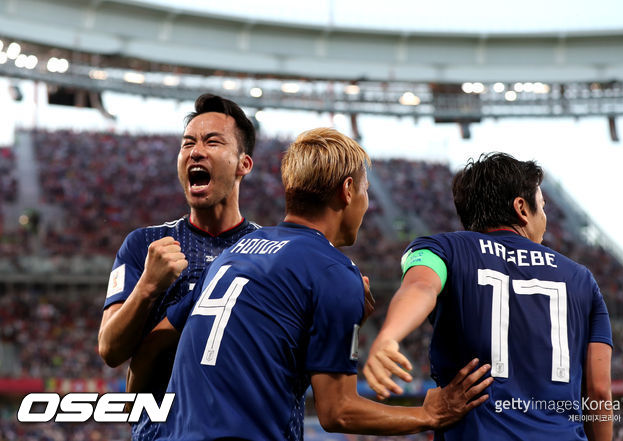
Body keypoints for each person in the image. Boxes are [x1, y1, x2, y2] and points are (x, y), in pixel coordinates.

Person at [127, 128, 493, 441]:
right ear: (347, 190)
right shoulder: (334, 272)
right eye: (365, 190)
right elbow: (338, 412)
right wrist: (428, 414)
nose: (366, 204)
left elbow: (151, 348)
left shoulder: (235, 251)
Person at [363, 152, 613, 441]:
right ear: (522, 208)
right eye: (542, 207)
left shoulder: (441, 249)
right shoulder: (582, 278)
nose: (545, 219)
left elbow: (421, 286)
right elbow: (598, 392)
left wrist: (389, 336)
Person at [97, 94, 259, 440]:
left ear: (243, 164)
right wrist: (148, 286)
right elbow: (109, 349)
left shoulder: (269, 252)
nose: (195, 152)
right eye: (188, 143)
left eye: (212, 141)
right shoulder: (144, 244)